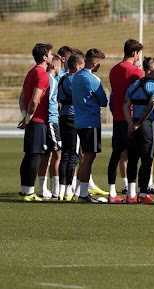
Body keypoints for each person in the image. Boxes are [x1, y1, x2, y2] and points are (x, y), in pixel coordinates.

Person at [108, 39, 147, 199]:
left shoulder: (113, 70)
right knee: (133, 155)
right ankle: (131, 193)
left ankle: (111, 192)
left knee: (116, 154)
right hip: (132, 117)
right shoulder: (137, 72)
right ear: (134, 53)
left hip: (117, 117)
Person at [123, 57, 154, 205]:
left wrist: (130, 123)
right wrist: (140, 121)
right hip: (147, 125)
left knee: (132, 158)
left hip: (133, 125)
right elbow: (152, 102)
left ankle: (131, 194)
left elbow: (125, 105)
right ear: (151, 69)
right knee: (147, 159)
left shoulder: (134, 85)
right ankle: (143, 193)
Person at [18, 43, 53, 202]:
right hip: (38, 120)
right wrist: (30, 117)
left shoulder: (31, 72)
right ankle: (30, 192)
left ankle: (24, 189)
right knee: (35, 155)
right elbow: (34, 100)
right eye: (51, 54)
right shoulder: (42, 74)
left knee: (29, 155)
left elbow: (21, 98)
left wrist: (25, 116)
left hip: (31, 119)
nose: (52, 57)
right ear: (45, 57)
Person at [72, 48, 108, 203]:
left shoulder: (76, 77)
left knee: (84, 157)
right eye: (99, 63)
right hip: (90, 122)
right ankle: (83, 194)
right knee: (89, 157)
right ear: (95, 62)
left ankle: (78, 191)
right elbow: (104, 101)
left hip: (79, 121)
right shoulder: (92, 79)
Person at [57, 52, 85, 201]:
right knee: (73, 155)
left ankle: (61, 190)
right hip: (74, 118)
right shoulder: (75, 80)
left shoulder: (62, 78)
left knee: (65, 155)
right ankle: (69, 190)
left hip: (63, 117)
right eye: (82, 66)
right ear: (77, 66)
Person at [37, 54, 63, 200]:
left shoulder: (49, 79)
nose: (60, 69)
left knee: (47, 155)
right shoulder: (51, 80)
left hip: (49, 121)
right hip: (51, 121)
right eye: (59, 66)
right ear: (54, 66)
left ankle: (43, 189)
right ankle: (55, 191)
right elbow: (46, 101)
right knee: (57, 153)